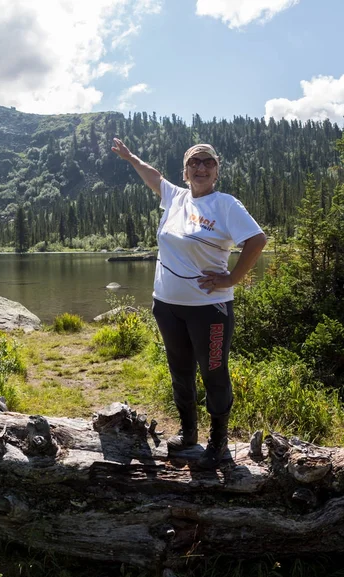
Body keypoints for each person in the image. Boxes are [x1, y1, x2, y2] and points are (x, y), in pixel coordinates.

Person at [111, 138, 266, 470]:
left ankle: (219, 442)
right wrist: (130, 157)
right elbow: (152, 176)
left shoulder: (225, 205)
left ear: (216, 171)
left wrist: (232, 278)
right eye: (194, 162)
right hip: (166, 306)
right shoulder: (176, 197)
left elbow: (257, 239)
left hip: (209, 310)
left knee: (213, 373)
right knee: (180, 372)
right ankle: (189, 434)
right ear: (185, 171)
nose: (200, 167)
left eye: (207, 162)